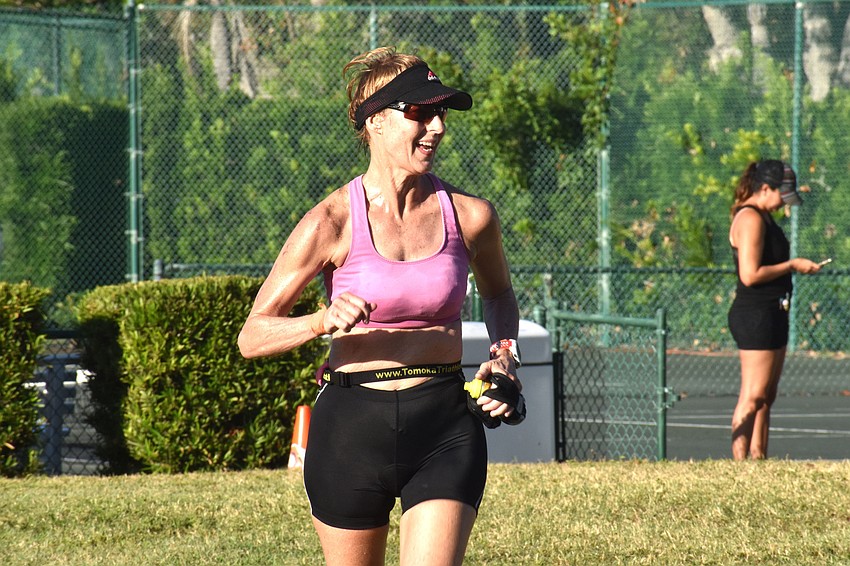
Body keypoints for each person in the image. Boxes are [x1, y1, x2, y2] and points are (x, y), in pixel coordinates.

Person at [238, 46, 522, 565]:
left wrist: (505, 355)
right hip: (350, 431)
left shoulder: (471, 216)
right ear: (375, 121)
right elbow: (252, 335)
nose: (437, 127)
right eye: (420, 112)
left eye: (441, 113)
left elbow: (499, 295)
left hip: (444, 426)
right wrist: (321, 320)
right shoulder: (330, 222)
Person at [727, 159, 823, 461]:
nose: (784, 203)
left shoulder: (766, 218)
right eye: (782, 195)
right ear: (765, 188)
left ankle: (759, 460)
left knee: (766, 397)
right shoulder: (750, 218)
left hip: (774, 311)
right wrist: (792, 265)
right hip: (755, 314)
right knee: (753, 395)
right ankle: (739, 466)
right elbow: (750, 274)